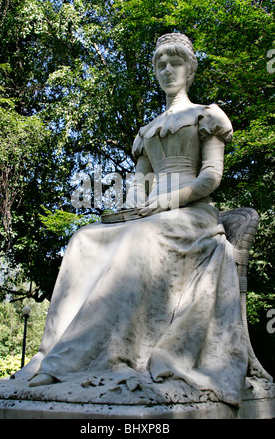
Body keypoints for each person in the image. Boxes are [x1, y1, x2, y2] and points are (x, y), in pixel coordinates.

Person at [13, 33, 248, 407]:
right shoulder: (147, 130)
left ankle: (91, 355)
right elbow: (138, 185)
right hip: (151, 213)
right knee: (84, 239)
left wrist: (167, 201)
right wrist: (133, 207)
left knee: (139, 238)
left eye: (175, 63)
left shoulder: (207, 115)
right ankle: (54, 352)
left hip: (191, 215)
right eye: (160, 64)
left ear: (190, 70)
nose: (167, 70)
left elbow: (211, 177)